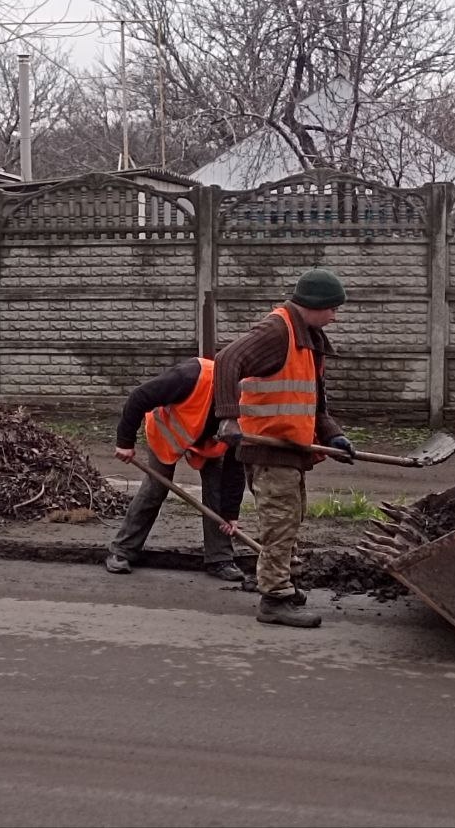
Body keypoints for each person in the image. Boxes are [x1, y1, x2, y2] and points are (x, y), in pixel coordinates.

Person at [213, 267, 355, 628]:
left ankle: (285, 585)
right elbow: (228, 360)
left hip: (291, 449)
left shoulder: (306, 337)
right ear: (315, 304)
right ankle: (274, 599)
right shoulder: (277, 330)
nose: (335, 317)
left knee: (291, 520)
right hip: (268, 449)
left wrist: (333, 435)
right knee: (280, 523)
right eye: (332, 309)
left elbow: (312, 401)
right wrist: (228, 418)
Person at [106, 356, 248, 582]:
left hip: (207, 445)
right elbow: (138, 397)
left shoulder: (244, 409)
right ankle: (122, 550)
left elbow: (235, 466)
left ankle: (219, 558)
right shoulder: (190, 376)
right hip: (167, 433)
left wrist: (231, 514)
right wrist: (125, 443)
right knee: (156, 489)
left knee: (217, 491)